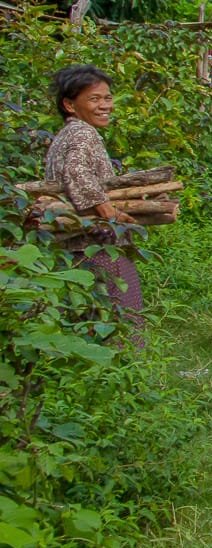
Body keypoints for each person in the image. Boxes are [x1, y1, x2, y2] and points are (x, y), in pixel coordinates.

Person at [41, 64, 145, 346]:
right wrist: (106, 210)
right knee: (124, 316)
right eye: (94, 99)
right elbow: (77, 171)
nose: (104, 106)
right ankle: (131, 374)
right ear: (70, 105)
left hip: (72, 246)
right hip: (96, 243)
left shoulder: (65, 135)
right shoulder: (83, 134)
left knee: (87, 317)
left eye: (107, 98)